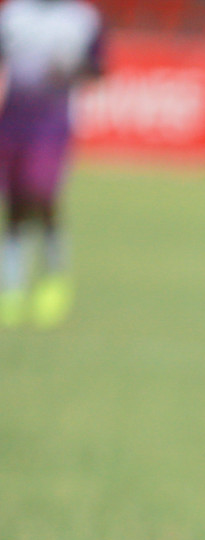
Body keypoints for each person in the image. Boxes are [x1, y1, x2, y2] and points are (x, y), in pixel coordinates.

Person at [0, 0, 102, 328]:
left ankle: (54, 277)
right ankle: (11, 288)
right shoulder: (12, 15)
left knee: (41, 196)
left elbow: (98, 67)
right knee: (14, 204)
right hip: (11, 120)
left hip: (51, 122)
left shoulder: (82, 19)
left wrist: (71, 71)